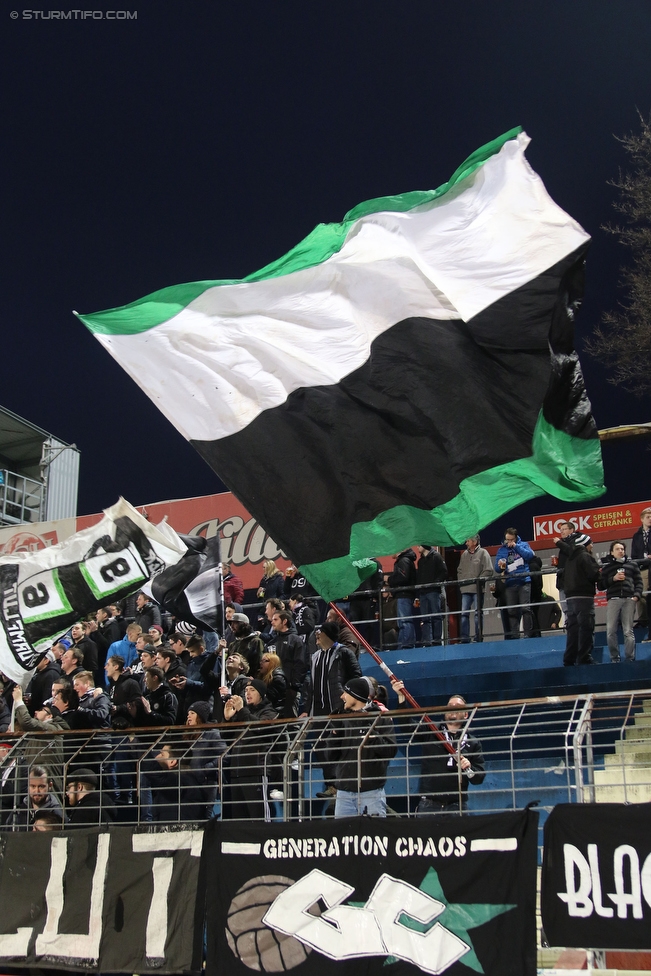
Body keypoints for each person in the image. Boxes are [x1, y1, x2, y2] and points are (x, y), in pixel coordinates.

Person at [391, 682, 485, 813]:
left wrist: (469, 767)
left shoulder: (473, 742)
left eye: (457, 706)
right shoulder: (431, 729)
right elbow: (407, 727)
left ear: (466, 714)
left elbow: (478, 778)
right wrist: (401, 699)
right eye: (450, 705)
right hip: (429, 803)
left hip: (457, 805)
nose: (452, 708)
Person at [322, 677, 397, 818]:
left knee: (374, 837)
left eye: (345, 693)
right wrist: (335, 734)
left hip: (371, 792)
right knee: (344, 838)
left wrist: (370, 733)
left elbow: (390, 751)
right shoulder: (341, 718)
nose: (342, 696)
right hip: (344, 793)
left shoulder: (380, 718)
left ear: (355, 695)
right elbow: (330, 756)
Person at [223, 679, 279, 820]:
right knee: (240, 819)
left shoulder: (270, 712)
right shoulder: (242, 713)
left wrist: (242, 710)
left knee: (259, 817)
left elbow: (260, 729)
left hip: (255, 770)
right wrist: (228, 720)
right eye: (246, 690)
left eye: (252, 690)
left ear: (261, 694)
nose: (248, 693)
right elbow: (225, 737)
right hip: (237, 772)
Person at [556, 533, 600, 666]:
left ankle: (569, 659)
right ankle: (584, 658)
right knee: (586, 628)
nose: (592, 545)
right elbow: (594, 575)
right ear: (585, 545)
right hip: (584, 598)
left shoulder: (570, 558)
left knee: (573, 630)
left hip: (570, 599)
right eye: (590, 543)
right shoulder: (585, 556)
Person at [599, 540, 643, 662]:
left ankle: (630, 658)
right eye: (617, 549)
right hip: (614, 599)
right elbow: (600, 585)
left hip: (629, 599)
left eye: (622, 549)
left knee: (628, 631)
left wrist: (636, 596)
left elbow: (639, 582)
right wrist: (613, 579)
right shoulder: (607, 568)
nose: (620, 551)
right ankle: (615, 658)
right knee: (610, 631)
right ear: (612, 552)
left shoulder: (632, 565)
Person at [494, 528, 535, 639]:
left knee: (525, 608)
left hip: (524, 581)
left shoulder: (523, 545)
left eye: (511, 539)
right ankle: (515, 635)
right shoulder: (502, 550)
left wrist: (516, 547)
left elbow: (530, 556)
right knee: (511, 610)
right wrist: (500, 565)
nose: (509, 542)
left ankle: (527, 634)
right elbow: (497, 569)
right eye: (507, 540)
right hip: (510, 583)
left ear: (516, 538)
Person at [268, 610, 306, 717]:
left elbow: (300, 664)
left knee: (290, 721)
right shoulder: (272, 642)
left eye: (275, 619)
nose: (272, 622)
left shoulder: (296, 640)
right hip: (274, 689)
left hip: (290, 690)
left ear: (284, 621)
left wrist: (294, 686)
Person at [457, 536, 493, 643]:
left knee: (478, 614)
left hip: (478, 589)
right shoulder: (464, 554)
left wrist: (478, 581)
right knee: (464, 614)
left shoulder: (483, 553)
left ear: (474, 542)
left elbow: (488, 570)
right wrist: (462, 582)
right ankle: (464, 638)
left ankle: (478, 637)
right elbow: (459, 571)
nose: (466, 543)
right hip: (465, 590)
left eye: (468, 541)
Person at [416, 546, 447, 645]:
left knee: (436, 616)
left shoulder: (437, 557)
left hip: (434, 591)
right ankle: (427, 641)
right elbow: (419, 577)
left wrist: (436, 582)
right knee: (425, 618)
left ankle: (437, 640)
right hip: (423, 593)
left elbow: (444, 572)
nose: (417, 547)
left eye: (419, 545)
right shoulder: (420, 561)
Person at [388, 548, 418, 647]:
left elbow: (403, 577)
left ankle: (406, 645)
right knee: (403, 621)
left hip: (404, 594)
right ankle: (404, 644)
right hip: (404, 594)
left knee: (404, 621)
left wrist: (389, 579)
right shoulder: (405, 560)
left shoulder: (403, 561)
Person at [631, 506, 651, 635]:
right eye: (648, 517)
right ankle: (643, 619)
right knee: (642, 594)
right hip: (642, 568)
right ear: (642, 519)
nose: (650, 519)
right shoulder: (637, 535)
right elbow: (634, 554)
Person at [554, 521, 578, 615]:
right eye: (561, 530)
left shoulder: (576, 541)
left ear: (571, 530)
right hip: (562, 581)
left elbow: (572, 552)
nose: (562, 532)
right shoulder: (563, 544)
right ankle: (569, 628)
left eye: (564, 529)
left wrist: (559, 543)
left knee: (572, 609)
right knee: (565, 609)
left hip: (571, 582)